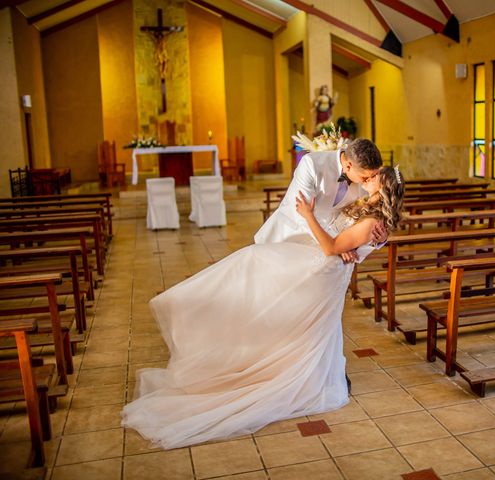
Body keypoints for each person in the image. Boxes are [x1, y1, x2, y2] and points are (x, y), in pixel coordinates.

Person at [120, 166, 405, 449]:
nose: (366, 180)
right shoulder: (367, 207)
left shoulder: (373, 223)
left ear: (383, 189)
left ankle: (286, 374)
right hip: (322, 267)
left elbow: (331, 247)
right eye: (367, 175)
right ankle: (277, 361)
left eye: (372, 179)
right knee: (294, 315)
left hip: (321, 271)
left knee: (263, 278)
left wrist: (307, 216)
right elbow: (344, 238)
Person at [255, 138, 387, 263]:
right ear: (348, 166)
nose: (370, 181)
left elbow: (373, 214)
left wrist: (380, 239)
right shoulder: (311, 164)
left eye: (373, 175)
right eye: (365, 178)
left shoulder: (366, 181)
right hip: (289, 238)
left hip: (327, 250)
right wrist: (336, 245)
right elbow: (301, 211)